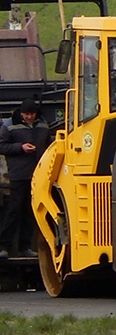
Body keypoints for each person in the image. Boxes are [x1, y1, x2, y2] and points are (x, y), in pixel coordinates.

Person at [0, 98, 50, 259]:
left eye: (31, 114)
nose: (29, 117)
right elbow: (1, 145)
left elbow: (48, 145)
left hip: (37, 175)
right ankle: (4, 246)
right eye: (26, 114)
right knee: (14, 211)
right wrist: (20, 147)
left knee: (30, 212)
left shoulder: (42, 125)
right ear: (21, 113)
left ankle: (25, 246)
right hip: (18, 175)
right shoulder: (9, 126)